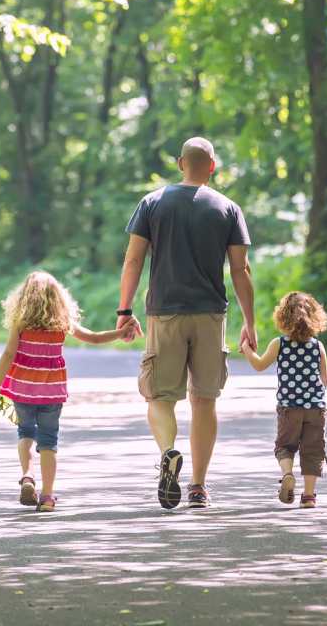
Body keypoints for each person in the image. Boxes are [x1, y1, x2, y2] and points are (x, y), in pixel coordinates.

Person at [117, 136, 255, 509]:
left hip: (165, 313)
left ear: (180, 163)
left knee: (160, 397)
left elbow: (133, 261)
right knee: (204, 400)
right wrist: (250, 322)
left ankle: (168, 452)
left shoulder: (152, 203)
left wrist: (124, 310)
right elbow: (240, 269)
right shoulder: (228, 209)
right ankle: (198, 486)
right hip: (211, 315)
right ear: (212, 166)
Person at [0, 270, 135, 512]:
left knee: (25, 433)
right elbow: (94, 338)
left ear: (24, 297)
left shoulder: (20, 324)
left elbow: (8, 354)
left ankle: (27, 476)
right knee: (48, 442)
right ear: (58, 298)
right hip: (51, 393)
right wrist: (121, 332)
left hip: (23, 390)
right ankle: (46, 497)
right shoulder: (62, 323)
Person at [238, 292, 327, 509]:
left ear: (283, 317)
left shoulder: (280, 344)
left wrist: (246, 350)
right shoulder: (318, 346)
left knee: (285, 446)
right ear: (314, 317)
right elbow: (324, 380)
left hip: (289, 407)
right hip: (315, 408)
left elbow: (259, 365)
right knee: (313, 450)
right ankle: (308, 497)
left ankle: (287, 474)